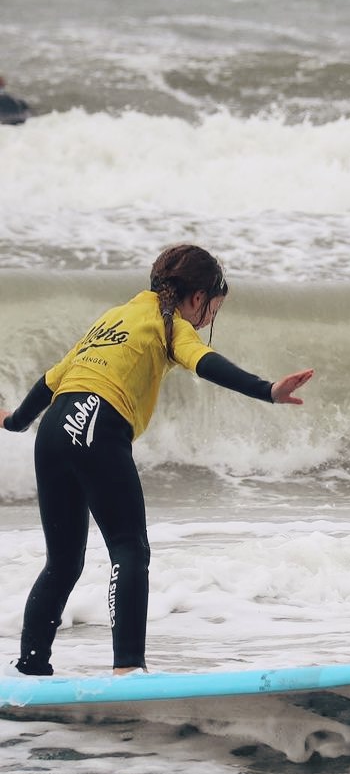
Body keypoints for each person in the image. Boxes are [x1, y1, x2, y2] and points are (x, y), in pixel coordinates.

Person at [1, 244, 314, 677]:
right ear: (199, 298)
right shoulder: (170, 324)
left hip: (52, 430)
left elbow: (52, 378)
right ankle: (127, 670)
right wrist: (267, 390)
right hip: (94, 423)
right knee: (129, 550)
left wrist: (14, 422)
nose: (206, 321)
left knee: (63, 562)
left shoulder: (114, 316)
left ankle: (31, 670)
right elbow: (205, 362)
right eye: (212, 310)